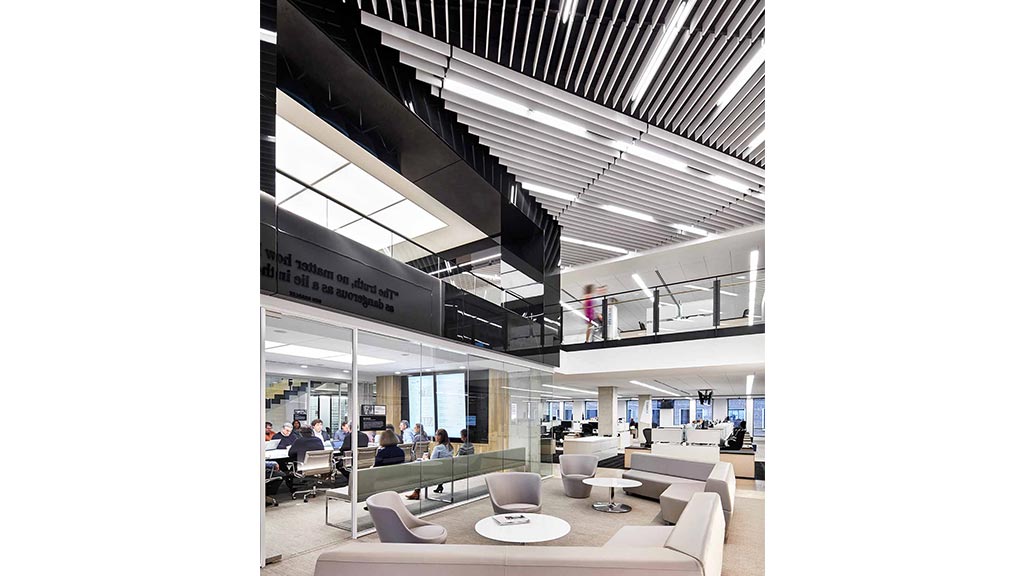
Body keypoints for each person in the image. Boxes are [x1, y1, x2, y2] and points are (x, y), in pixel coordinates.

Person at [408, 428, 453, 500]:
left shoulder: (438, 448)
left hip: (437, 473)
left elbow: (431, 462)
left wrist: (425, 458)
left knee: (419, 470)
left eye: (437, 435)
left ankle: (416, 492)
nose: (435, 436)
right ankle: (417, 492)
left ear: (441, 437)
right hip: (447, 471)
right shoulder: (450, 447)